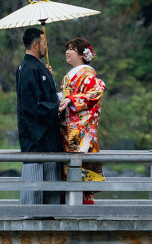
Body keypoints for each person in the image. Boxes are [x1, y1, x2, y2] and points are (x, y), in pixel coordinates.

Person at [16, 27, 64, 204]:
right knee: (35, 182)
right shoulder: (29, 68)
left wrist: (48, 77)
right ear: (35, 44)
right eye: (44, 43)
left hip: (45, 135)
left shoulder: (35, 67)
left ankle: (49, 217)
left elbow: (43, 96)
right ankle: (32, 218)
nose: (46, 47)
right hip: (37, 136)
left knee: (50, 181)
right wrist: (56, 108)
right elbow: (31, 105)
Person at [58, 37, 105, 205]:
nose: (67, 52)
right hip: (67, 129)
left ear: (81, 54)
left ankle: (83, 210)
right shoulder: (70, 75)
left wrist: (71, 99)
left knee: (80, 170)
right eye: (67, 49)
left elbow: (95, 94)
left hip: (80, 130)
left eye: (71, 49)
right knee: (67, 171)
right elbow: (65, 98)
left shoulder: (88, 74)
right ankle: (68, 207)